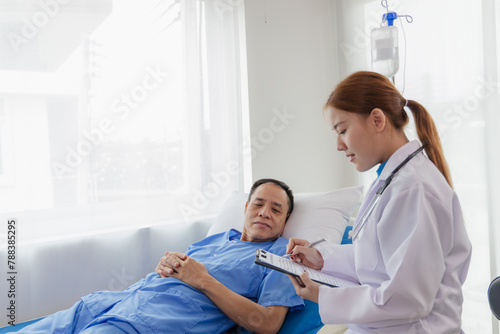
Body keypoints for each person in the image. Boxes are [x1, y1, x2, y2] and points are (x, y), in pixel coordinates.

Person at [285, 71, 472, 333]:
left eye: (343, 130)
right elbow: (379, 258)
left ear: (376, 120)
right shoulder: (392, 180)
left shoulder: (414, 189)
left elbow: (407, 300)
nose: (339, 145)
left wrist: (323, 295)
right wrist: (321, 258)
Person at [15, 178, 304, 334]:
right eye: (258, 204)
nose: (265, 212)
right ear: (245, 208)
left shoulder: (280, 255)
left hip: (146, 324)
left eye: (276, 209)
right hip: (105, 305)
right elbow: (176, 277)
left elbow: (267, 323)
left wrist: (203, 280)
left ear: (286, 218)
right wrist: (166, 267)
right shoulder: (216, 239)